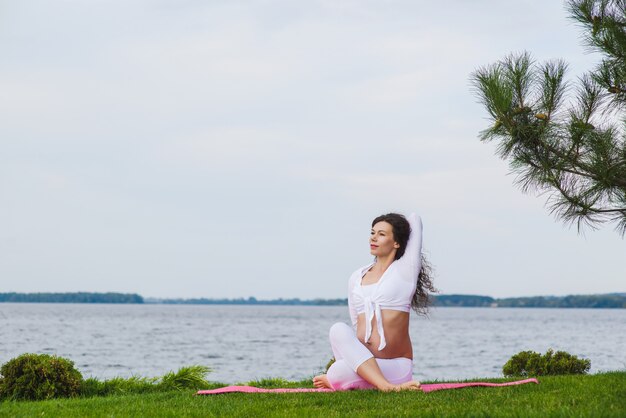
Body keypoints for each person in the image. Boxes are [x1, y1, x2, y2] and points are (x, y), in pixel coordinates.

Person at [313, 212, 435, 391]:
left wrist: (398, 227)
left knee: (337, 373)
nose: (374, 238)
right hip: (368, 365)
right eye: (372, 232)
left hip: (395, 365)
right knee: (337, 329)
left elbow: (415, 220)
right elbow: (356, 323)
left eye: (382, 234)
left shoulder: (405, 271)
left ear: (397, 243)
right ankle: (377, 383)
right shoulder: (357, 276)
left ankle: (380, 384)